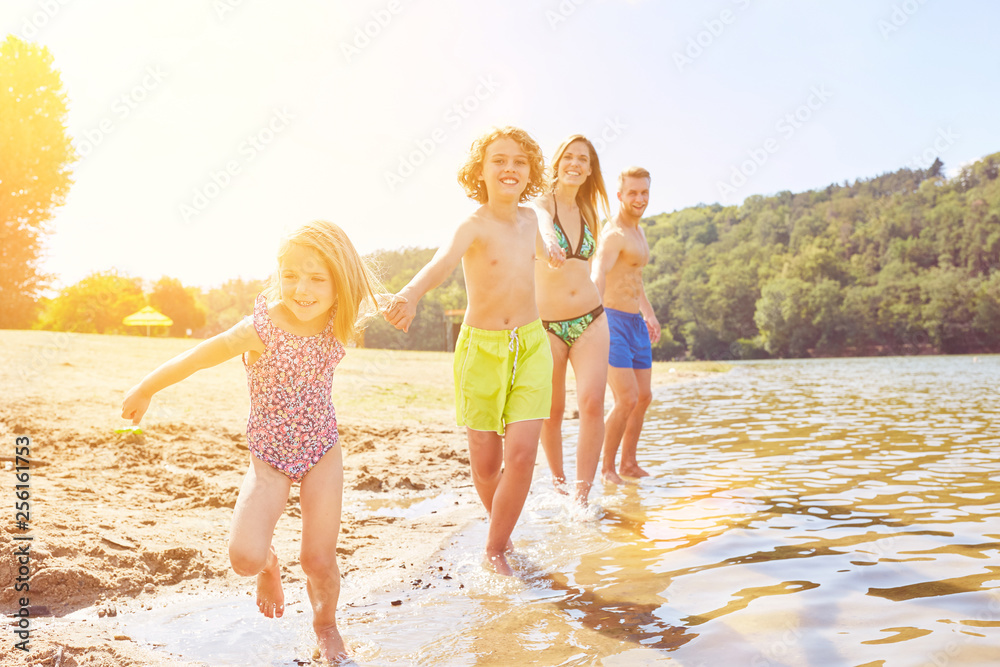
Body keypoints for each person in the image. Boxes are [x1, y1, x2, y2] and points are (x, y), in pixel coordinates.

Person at [120, 220, 382, 662]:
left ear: (340, 283)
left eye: (318, 278)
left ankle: (326, 625)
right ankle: (269, 566)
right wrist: (146, 388)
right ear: (278, 273)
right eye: (292, 274)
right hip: (269, 457)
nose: (302, 289)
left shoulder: (341, 320)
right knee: (244, 557)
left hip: (322, 450)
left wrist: (403, 303)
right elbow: (196, 358)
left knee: (318, 560)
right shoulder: (258, 329)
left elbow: (386, 300)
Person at [383, 126, 553, 576]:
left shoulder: (533, 219)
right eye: (498, 160)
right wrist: (411, 294)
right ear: (481, 170)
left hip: (531, 345)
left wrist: (552, 247)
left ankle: (494, 549)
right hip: (481, 350)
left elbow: (544, 241)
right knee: (485, 461)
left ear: (530, 169)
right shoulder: (472, 225)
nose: (509, 168)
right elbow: (439, 264)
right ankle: (504, 532)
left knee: (520, 456)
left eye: (519, 161)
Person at [531, 134, 611, 505]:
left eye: (583, 159)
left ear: (590, 169)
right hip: (547, 324)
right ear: (558, 163)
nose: (575, 163)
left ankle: (581, 497)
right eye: (569, 156)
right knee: (552, 410)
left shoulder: (591, 211)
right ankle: (559, 483)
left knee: (593, 402)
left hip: (591, 319)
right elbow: (543, 222)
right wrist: (549, 241)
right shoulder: (541, 204)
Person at [591, 167, 661, 484]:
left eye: (644, 192)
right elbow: (600, 272)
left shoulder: (640, 232)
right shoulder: (614, 235)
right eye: (632, 192)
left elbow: (636, 280)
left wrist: (649, 314)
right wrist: (593, 315)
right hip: (612, 321)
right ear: (620, 195)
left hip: (635, 322)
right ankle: (606, 469)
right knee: (626, 398)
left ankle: (628, 463)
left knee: (643, 396)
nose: (639, 198)